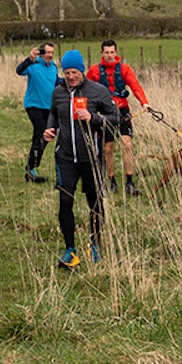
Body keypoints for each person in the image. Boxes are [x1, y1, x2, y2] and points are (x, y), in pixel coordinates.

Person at [42, 50, 121, 268]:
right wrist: (50, 129)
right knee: (65, 202)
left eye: (74, 72)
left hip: (91, 159)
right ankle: (70, 250)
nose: (70, 76)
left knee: (95, 203)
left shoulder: (97, 91)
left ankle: (94, 244)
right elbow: (53, 114)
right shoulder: (58, 93)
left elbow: (115, 119)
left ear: (82, 71)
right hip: (65, 157)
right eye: (66, 72)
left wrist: (93, 117)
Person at [86, 39, 152, 196]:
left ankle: (129, 182)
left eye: (112, 52)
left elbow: (135, 86)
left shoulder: (124, 69)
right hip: (105, 114)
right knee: (108, 148)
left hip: (122, 112)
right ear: (101, 53)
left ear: (116, 53)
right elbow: (87, 90)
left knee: (127, 145)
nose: (110, 55)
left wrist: (144, 103)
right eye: (107, 52)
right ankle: (111, 181)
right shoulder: (94, 71)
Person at [15, 42, 59, 183]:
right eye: (47, 52)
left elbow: (57, 81)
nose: (50, 55)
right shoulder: (32, 65)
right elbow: (19, 70)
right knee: (43, 134)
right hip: (34, 105)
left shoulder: (53, 67)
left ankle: (30, 168)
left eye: (52, 52)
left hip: (49, 107)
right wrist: (30, 59)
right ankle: (32, 168)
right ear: (41, 53)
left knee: (41, 136)